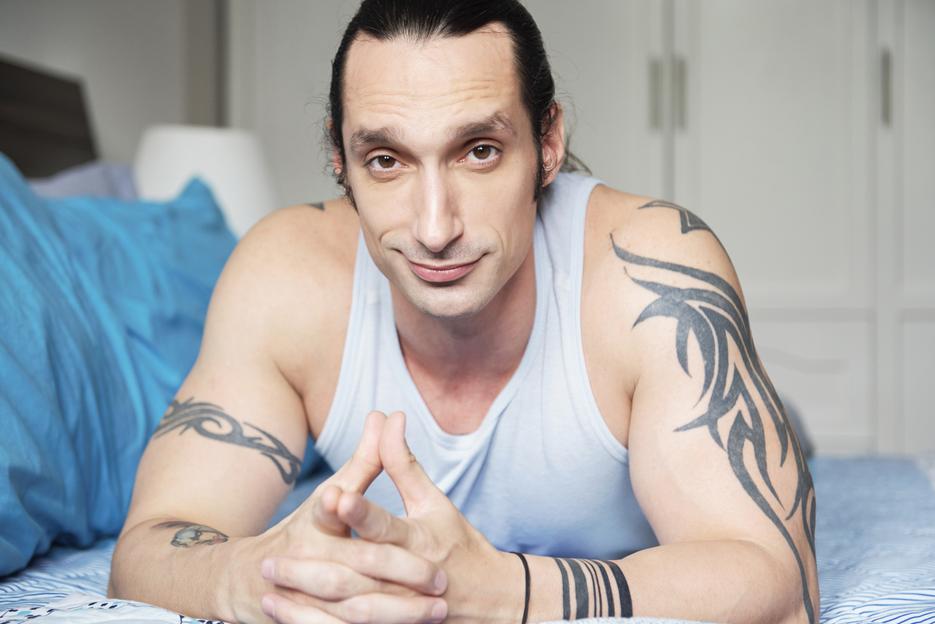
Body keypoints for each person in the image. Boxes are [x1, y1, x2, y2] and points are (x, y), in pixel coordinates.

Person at [109, 1, 819, 622]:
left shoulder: (652, 273)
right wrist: (263, 575)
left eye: (479, 151)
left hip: (660, 408)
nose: (433, 227)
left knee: (770, 435)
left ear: (547, 144)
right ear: (339, 158)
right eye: (386, 160)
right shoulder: (284, 275)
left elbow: (780, 589)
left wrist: (505, 591)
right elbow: (146, 549)